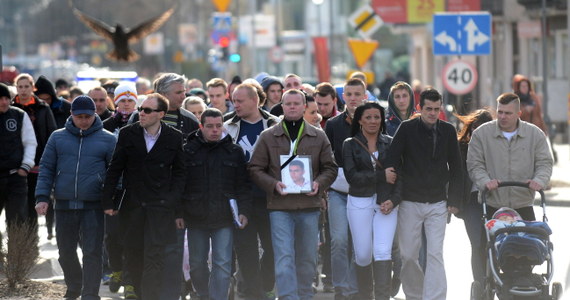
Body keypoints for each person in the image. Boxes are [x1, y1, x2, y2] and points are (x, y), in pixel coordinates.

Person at [249, 89, 338, 300]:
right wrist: (273, 184)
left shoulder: (318, 135)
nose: (292, 107)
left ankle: (305, 295)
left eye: (296, 103)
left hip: (309, 207)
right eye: (287, 103)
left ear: (304, 106)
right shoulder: (268, 136)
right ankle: (288, 297)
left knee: (307, 258)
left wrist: (319, 183)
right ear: (282, 106)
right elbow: (254, 168)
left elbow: (331, 168)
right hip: (280, 207)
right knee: (284, 257)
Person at [102, 93, 186, 300]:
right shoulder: (127, 133)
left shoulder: (174, 137)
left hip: (160, 206)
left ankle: (150, 296)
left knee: (155, 256)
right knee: (133, 255)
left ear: (161, 114)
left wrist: (172, 200)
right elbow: (115, 168)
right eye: (140, 109)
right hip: (133, 206)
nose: (141, 113)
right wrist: (107, 200)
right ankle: (140, 293)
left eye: (147, 110)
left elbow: (180, 172)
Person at [35, 96, 116, 300]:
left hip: (94, 205)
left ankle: (90, 293)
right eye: (79, 116)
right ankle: (74, 285)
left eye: (87, 116)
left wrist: (111, 199)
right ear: (71, 115)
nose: (84, 120)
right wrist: (42, 197)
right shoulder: (57, 137)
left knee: (92, 252)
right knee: (65, 252)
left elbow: (116, 173)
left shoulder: (107, 139)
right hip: (63, 204)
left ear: (94, 115)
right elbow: (46, 168)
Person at [385, 88, 463, 300]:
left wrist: (454, 200)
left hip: (438, 203)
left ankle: (435, 297)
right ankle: (415, 295)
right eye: (428, 109)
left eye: (436, 109)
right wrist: (389, 178)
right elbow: (392, 157)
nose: (432, 113)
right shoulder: (406, 128)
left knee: (435, 254)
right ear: (419, 108)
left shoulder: (447, 130)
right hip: (410, 201)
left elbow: (457, 167)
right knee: (408, 255)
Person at [184, 108, 250, 300]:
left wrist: (244, 211)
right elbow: (180, 185)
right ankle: (203, 294)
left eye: (218, 126)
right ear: (201, 127)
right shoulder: (188, 150)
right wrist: (179, 213)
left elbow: (243, 185)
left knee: (222, 263)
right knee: (196, 264)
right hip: (195, 216)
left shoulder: (234, 151)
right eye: (210, 126)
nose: (215, 130)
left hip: (225, 217)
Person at [224, 83, 279, 300]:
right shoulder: (228, 126)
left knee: (273, 247)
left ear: (255, 100)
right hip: (241, 200)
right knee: (246, 250)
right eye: (233, 101)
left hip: (271, 198)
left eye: (239, 101)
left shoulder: (274, 124)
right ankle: (255, 293)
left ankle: (266, 283)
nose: (234, 105)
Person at [343, 102, 401, 300]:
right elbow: (352, 177)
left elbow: (400, 176)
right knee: (362, 254)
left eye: (377, 117)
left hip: (386, 204)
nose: (373, 121)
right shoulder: (349, 144)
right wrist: (380, 175)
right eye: (368, 117)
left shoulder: (391, 142)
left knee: (383, 252)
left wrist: (394, 201)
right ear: (359, 120)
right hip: (359, 202)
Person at [467, 93, 553, 221]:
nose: (502, 116)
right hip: (492, 204)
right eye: (500, 112)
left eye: (508, 113)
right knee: (489, 241)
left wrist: (539, 180)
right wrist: (485, 182)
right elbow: (475, 164)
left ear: (519, 114)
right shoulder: (481, 134)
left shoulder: (535, 135)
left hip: (523, 204)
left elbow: (544, 163)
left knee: (531, 240)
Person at [323, 78, 368, 300]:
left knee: (359, 241)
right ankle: (341, 287)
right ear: (343, 97)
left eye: (356, 94)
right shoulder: (332, 125)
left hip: (365, 191)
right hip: (338, 191)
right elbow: (326, 159)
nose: (352, 98)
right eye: (348, 94)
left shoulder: (372, 121)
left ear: (364, 95)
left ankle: (354, 286)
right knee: (339, 239)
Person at [11, 73, 57, 235]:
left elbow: (52, 134)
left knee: (32, 202)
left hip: (38, 162)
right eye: (20, 87)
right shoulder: (10, 108)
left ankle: (31, 243)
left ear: (33, 88)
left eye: (26, 86)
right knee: (16, 207)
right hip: (14, 164)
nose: (23, 90)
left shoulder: (43, 108)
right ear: (16, 88)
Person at [455, 108, 493, 284]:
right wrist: (454, 201)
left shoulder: (495, 146)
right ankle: (480, 284)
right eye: (475, 127)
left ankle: (493, 280)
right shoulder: (462, 146)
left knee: (491, 244)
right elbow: (455, 175)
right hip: (471, 202)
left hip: (494, 201)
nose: (478, 132)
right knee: (477, 244)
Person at [0, 82, 37, 238]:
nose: (4, 102)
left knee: (17, 221)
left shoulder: (19, 115)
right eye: (0, 98)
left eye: (6, 98)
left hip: (16, 176)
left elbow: (30, 142)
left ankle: (17, 259)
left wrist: (26, 165)